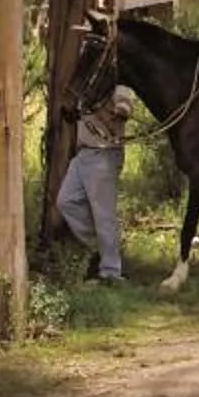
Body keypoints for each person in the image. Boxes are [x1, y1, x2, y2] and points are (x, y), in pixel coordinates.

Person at [56, 88, 133, 282]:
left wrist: (112, 109)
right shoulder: (88, 83)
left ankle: (111, 273)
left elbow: (124, 108)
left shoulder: (116, 85)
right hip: (83, 153)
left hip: (103, 153)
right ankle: (102, 247)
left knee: (103, 215)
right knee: (66, 201)